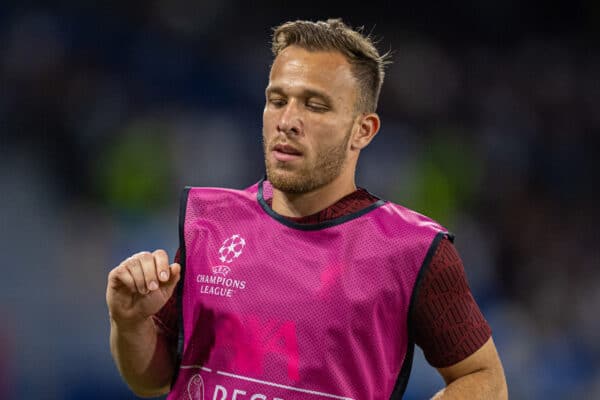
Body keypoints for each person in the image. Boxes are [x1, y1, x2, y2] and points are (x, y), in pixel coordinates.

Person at [106, 18, 507, 400]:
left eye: (315, 106)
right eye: (277, 100)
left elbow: (482, 376)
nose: (288, 121)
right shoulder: (210, 223)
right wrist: (129, 323)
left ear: (362, 130)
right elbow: (153, 380)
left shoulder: (412, 252)